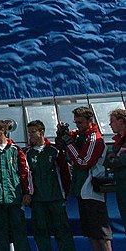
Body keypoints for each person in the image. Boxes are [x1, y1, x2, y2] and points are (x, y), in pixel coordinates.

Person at [56, 106, 112, 250]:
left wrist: (69, 144)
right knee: (91, 233)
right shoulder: (81, 135)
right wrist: (63, 134)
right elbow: (67, 140)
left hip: (92, 189)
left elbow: (83, 162)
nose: (78, 126)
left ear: (90, 120)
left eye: (80, 122)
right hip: (82, 189)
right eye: (76, 122)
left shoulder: (95, 139)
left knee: (102, 233)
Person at [0, 120, 32, 251]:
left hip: (15, 198)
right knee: (0, 235)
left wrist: (27, 192)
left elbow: (25, 172)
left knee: (20, 234)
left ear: (2, 130)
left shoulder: (16, 150)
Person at [23, 120, 75, 251]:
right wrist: (27, 193)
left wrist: (64, 193)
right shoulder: (27, 153)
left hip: (56, 198)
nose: (31, 135)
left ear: (42, 132)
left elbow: (65, 173)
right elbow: (24, 176)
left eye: (33, 132)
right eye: (29, 132)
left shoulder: (54, 150)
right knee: (41, 233)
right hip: (37, 200)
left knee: (63, 231)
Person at [106, 108, 126, 230]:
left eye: (112, 121)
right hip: (121, 185)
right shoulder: (118, 141)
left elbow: (118, 161)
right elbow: (110, 160)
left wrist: (115, 160)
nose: (110, 124)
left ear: (121, 121)